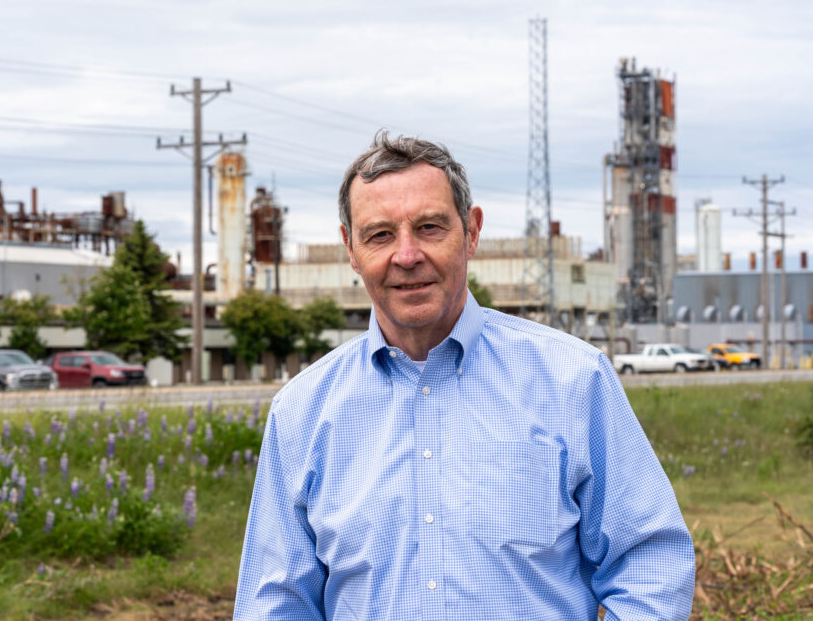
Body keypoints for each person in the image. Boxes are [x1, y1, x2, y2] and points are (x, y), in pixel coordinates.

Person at [234, 132, 695, 619]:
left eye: (430, 227)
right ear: (351, 248)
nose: (407, 256)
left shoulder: (574, 383)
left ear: (471, 232)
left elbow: (650, 564)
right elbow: (276, 604)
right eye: (380, 235)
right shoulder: (302, 413)